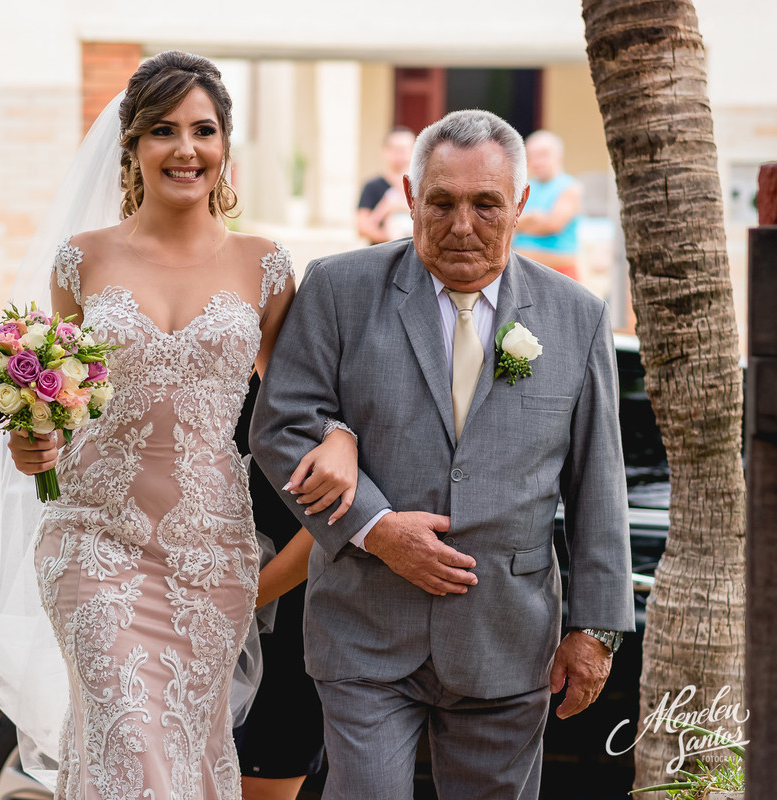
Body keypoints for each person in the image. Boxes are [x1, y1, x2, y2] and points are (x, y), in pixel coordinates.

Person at [249, 109, 635, 800]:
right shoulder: (338, 289)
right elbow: (282, 427)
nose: (463, 226)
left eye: (486, 205)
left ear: (519, 202)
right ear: (409, 195)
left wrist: (596, 629)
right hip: (364, 627)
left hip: (509, 635)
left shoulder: (576, 315)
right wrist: (376, 528)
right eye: (443, 203)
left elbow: (597, 485)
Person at [2, 51, 358, 800]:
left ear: (225, 145)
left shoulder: (264, 268)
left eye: (203, 130)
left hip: (211, 559)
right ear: (133, 146)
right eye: (163, 130)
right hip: (96, 545)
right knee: (129, 738)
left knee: (189, 755)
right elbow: (58, 419)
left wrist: (341, 438)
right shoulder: (81, 262)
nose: (185, 148)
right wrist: (34, 448)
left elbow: (304, 408)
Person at [232, 372, 326, 800]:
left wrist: (237, 604)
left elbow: (334, 515)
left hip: (294, 619)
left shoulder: (317, 363)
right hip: (172, 600)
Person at [513, 130, 583, 280]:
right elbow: (507, 222)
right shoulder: (524, 187)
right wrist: (533, 218)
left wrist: (519, 223)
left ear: (559, 156)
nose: (537, 161)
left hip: (560, 275)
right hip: (522, 274)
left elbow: (552, 224)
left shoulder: (570, 187)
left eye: (543, 155)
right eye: (532, 156)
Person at [356, 127, 416, 244]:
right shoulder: (372, 186)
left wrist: (398, 206)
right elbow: (362, 226)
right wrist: (394, 242)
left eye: (405, 149)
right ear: (384, 151)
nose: (400, 155)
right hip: (382, 254)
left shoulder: (422, 185)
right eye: (395, 149)